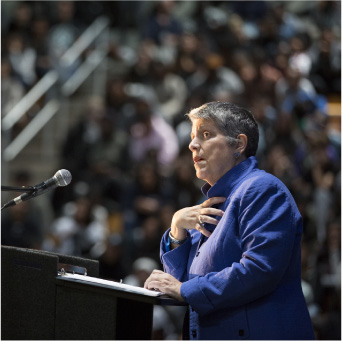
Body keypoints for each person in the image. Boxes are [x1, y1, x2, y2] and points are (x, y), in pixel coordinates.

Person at [144, 102, 315, 340]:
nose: (192, 145)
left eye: (206, 134)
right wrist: (176, 230)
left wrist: (183, 290)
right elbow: (179, 283)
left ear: (239, 144)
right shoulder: (213, 201)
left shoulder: (262, 189)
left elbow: (258, 270)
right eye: (193, 137)